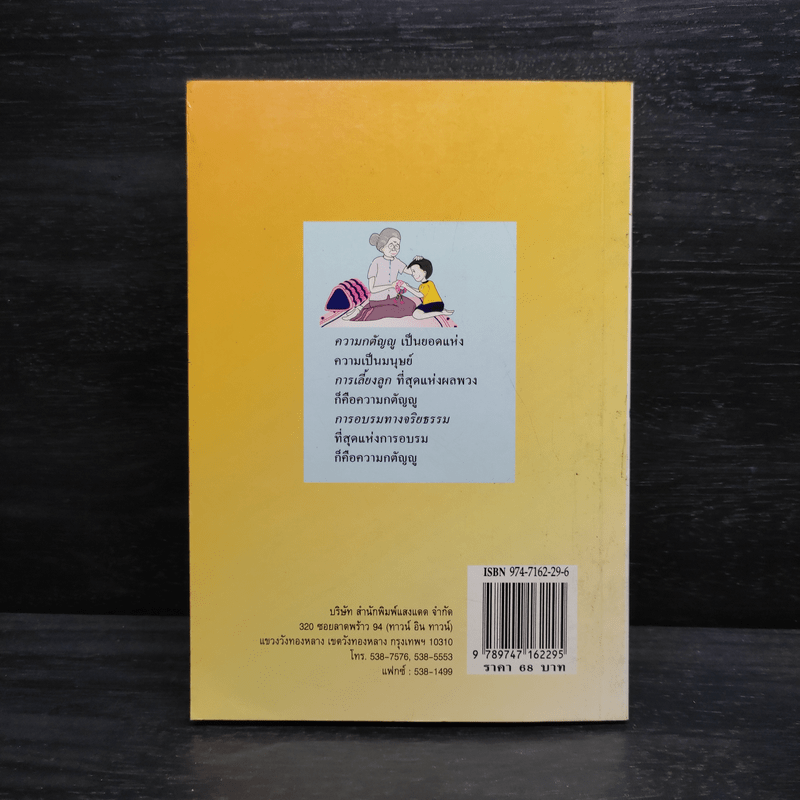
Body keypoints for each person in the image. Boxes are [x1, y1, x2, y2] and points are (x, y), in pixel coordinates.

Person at [345, 228, 417, 321]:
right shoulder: (376, 262)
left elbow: (410, 271)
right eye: (391, 245)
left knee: (411, 306)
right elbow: (372, 289)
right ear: (382, 247)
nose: (395, 248)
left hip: (393, 298)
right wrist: (390, 285)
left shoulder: (397, 262)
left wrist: (418, 262)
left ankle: (365, 309)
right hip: (378, 300)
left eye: (397, 245)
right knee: (388, 310)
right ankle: (364, 312)